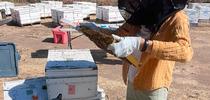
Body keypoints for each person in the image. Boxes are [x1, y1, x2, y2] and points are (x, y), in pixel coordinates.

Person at [107, 0, 193, 100]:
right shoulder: (141, 14)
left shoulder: (178, 18)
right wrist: (97, 31)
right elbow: (120, 34)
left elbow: (185, 51)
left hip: (153, 87)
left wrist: (143, 44)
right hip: (132, 80)